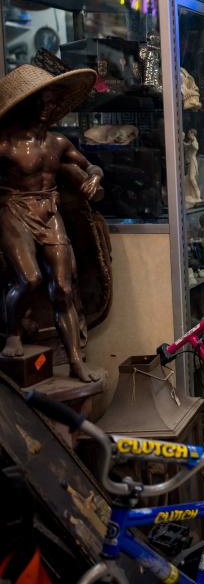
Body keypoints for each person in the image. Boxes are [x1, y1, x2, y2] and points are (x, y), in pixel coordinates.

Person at [0, 64, 102, 382]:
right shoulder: (6, 144)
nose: (48, 107)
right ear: (25, 104)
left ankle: (74, 360)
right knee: (29, 279)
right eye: (41, 101)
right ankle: (12, 333)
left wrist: (95, 178)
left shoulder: (58, 143)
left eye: (52, 101)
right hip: (14, 210)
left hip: (49, 211)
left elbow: (92, 166)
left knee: (63, 288)